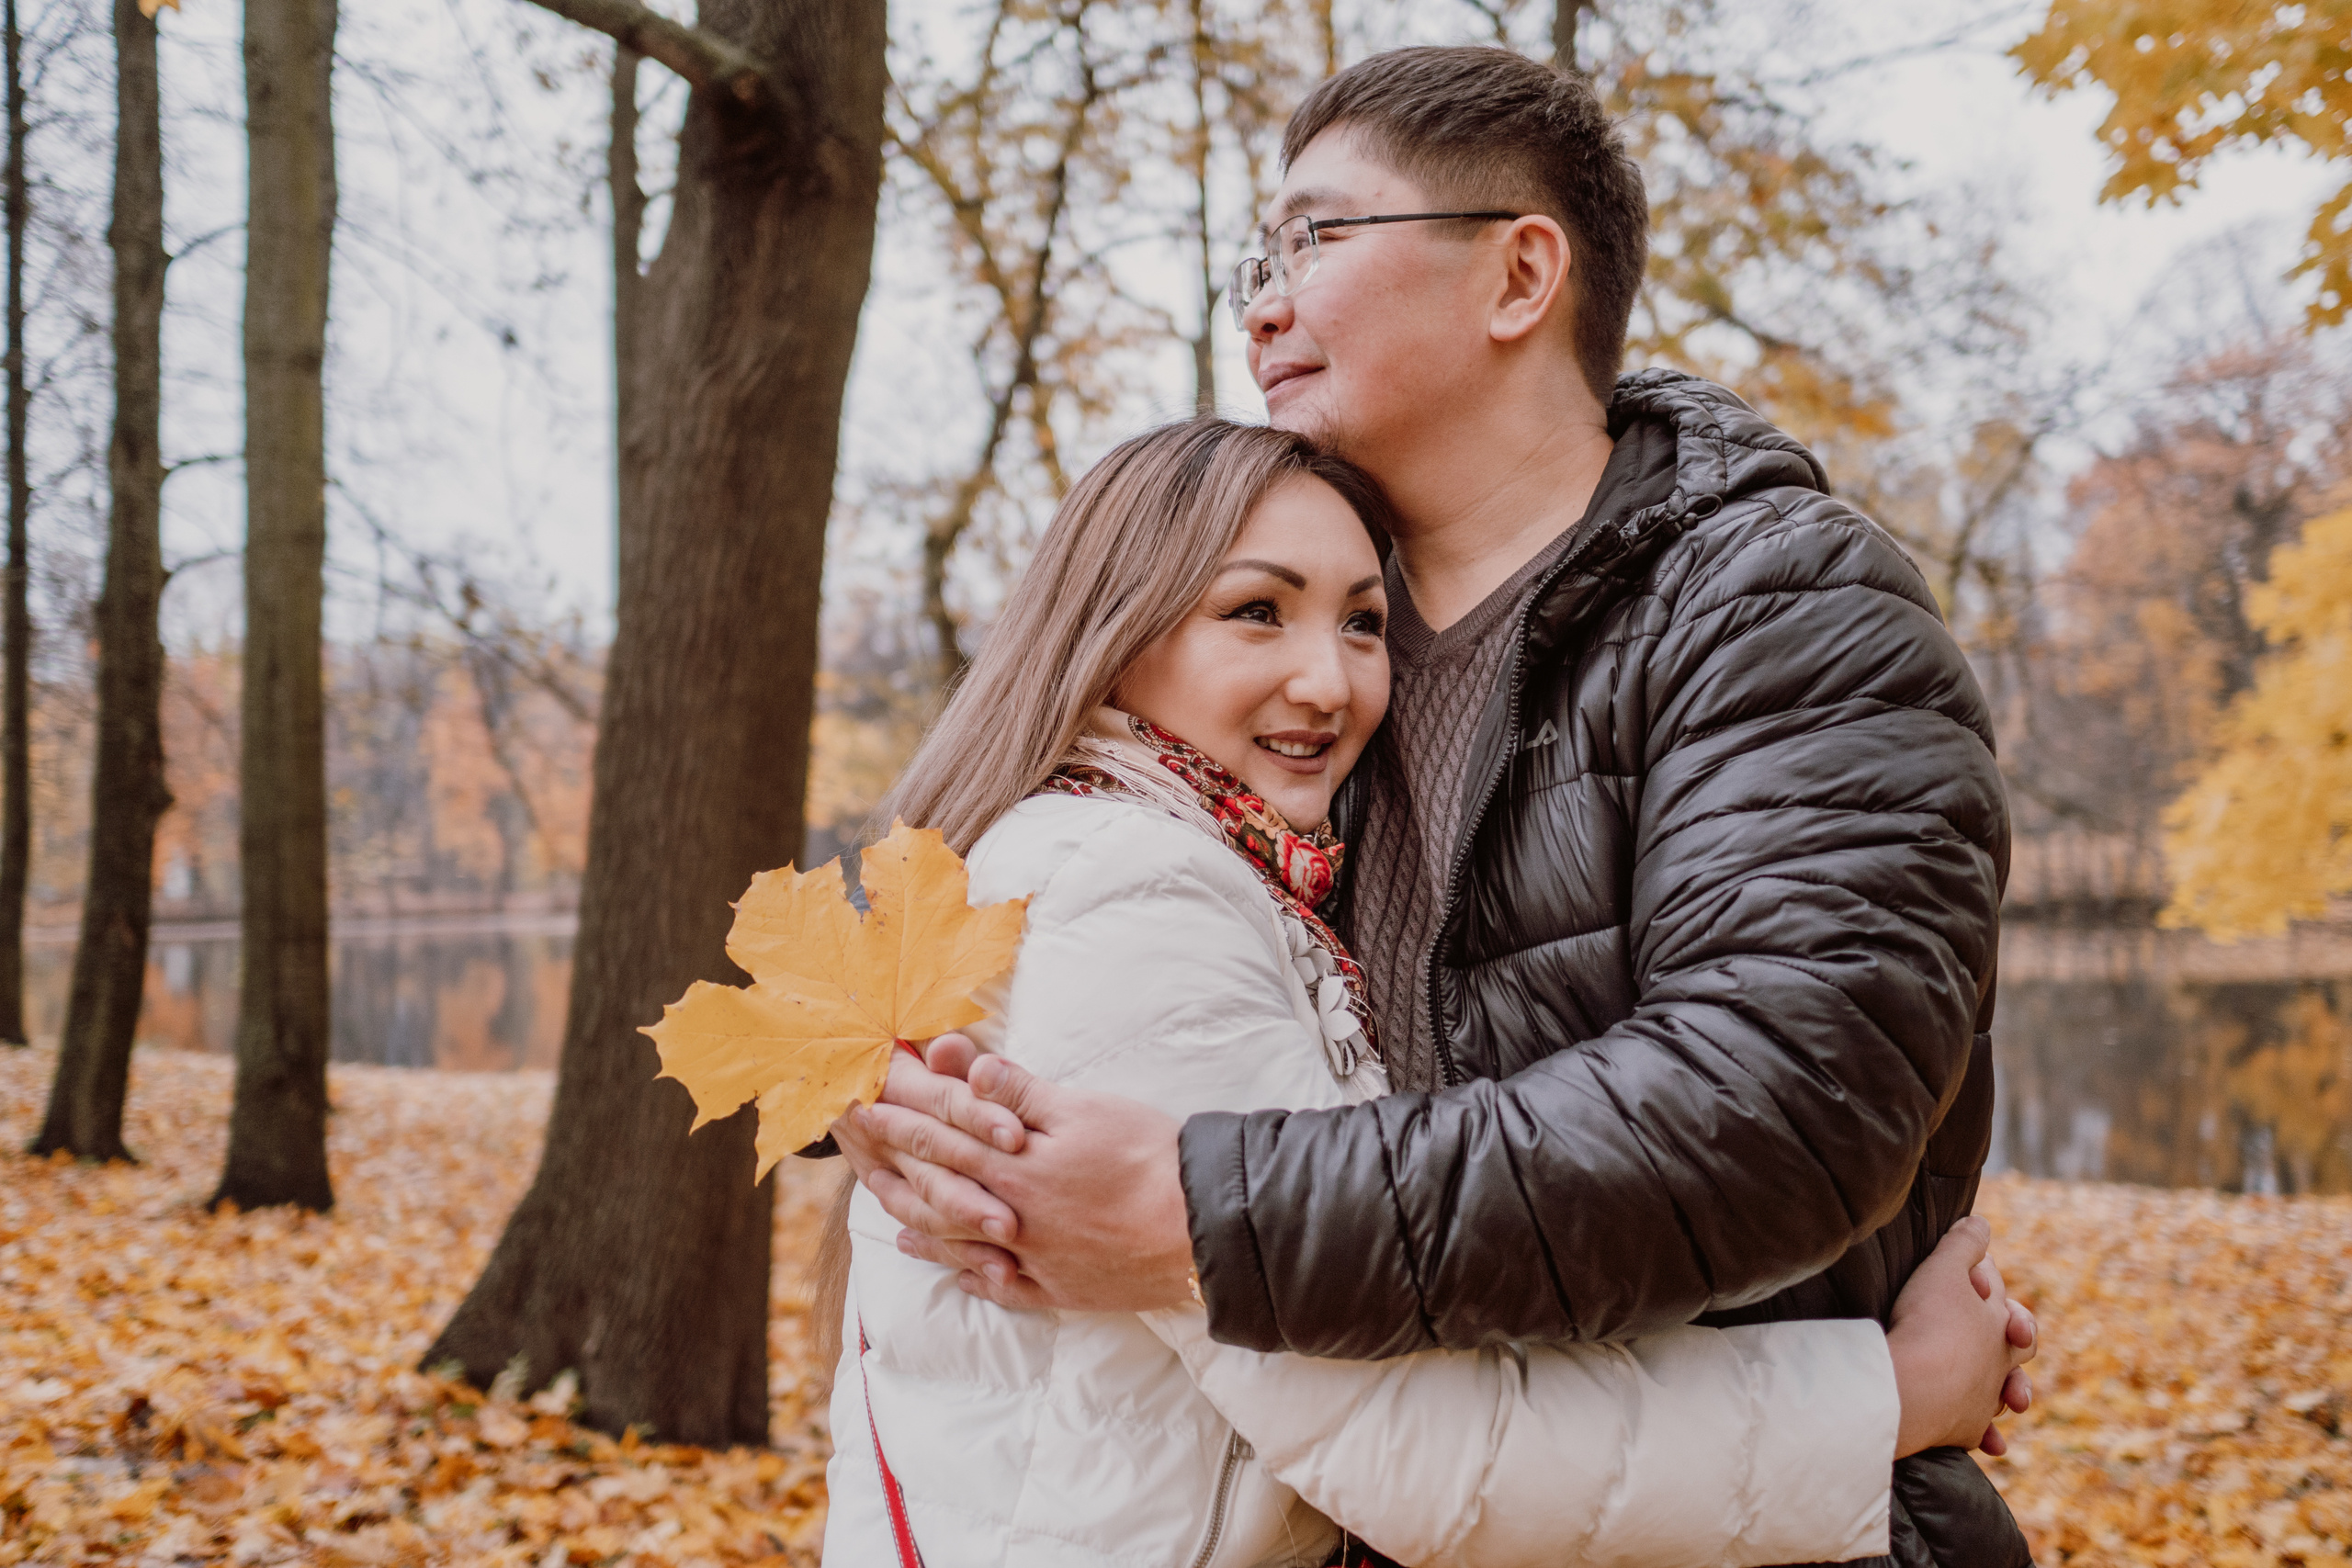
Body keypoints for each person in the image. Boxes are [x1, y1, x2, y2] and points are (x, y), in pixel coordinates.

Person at [835, 44, 2028, 1568]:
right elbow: (1126, 948)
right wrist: (916, 1097)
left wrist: (1205, 1214)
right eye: (1253, 262)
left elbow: (1782, 1100)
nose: (1262, 302)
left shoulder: (1780, 607)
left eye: (1314, 241)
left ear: (1520, 273)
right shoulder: (1310, 660)